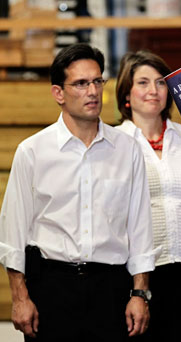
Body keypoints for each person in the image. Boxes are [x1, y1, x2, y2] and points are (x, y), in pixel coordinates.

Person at [0, 43, 155, 341]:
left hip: (111, 289)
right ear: (58, 93)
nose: (93, 91)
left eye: (97, 81)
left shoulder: (127, 149)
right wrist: (20, 297)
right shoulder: (32, 151)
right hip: (51, 287)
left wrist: (140, 293)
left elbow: (140, 228)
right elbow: (13, 232)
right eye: (81, 83)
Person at [115, 51, 181, 342]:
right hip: (135, 274)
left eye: (161, 83)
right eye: (143, 82)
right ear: (126, 94)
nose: (153, 90)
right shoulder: (115, 143)